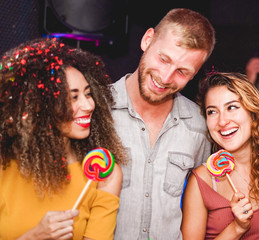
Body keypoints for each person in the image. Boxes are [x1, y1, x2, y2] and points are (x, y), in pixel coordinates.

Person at [0, 37, 126, 239]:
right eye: (73, 97)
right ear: (39, 106)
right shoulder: (4, 166)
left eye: (87, 94)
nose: (88, 105)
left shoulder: (102, 174)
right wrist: (34, 236)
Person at [111, 8, 215, 239]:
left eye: (182, 71)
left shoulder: (199, 127)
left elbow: (198, 208)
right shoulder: (96, 110)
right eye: (163, 59)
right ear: (147, 40)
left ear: (194, 73)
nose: (166, 78)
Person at [181, 72, 259, 239]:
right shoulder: (202, 181)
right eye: (212, 112)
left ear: (253, 113)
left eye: (231, 107)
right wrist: (237, 228)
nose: (222, 121)